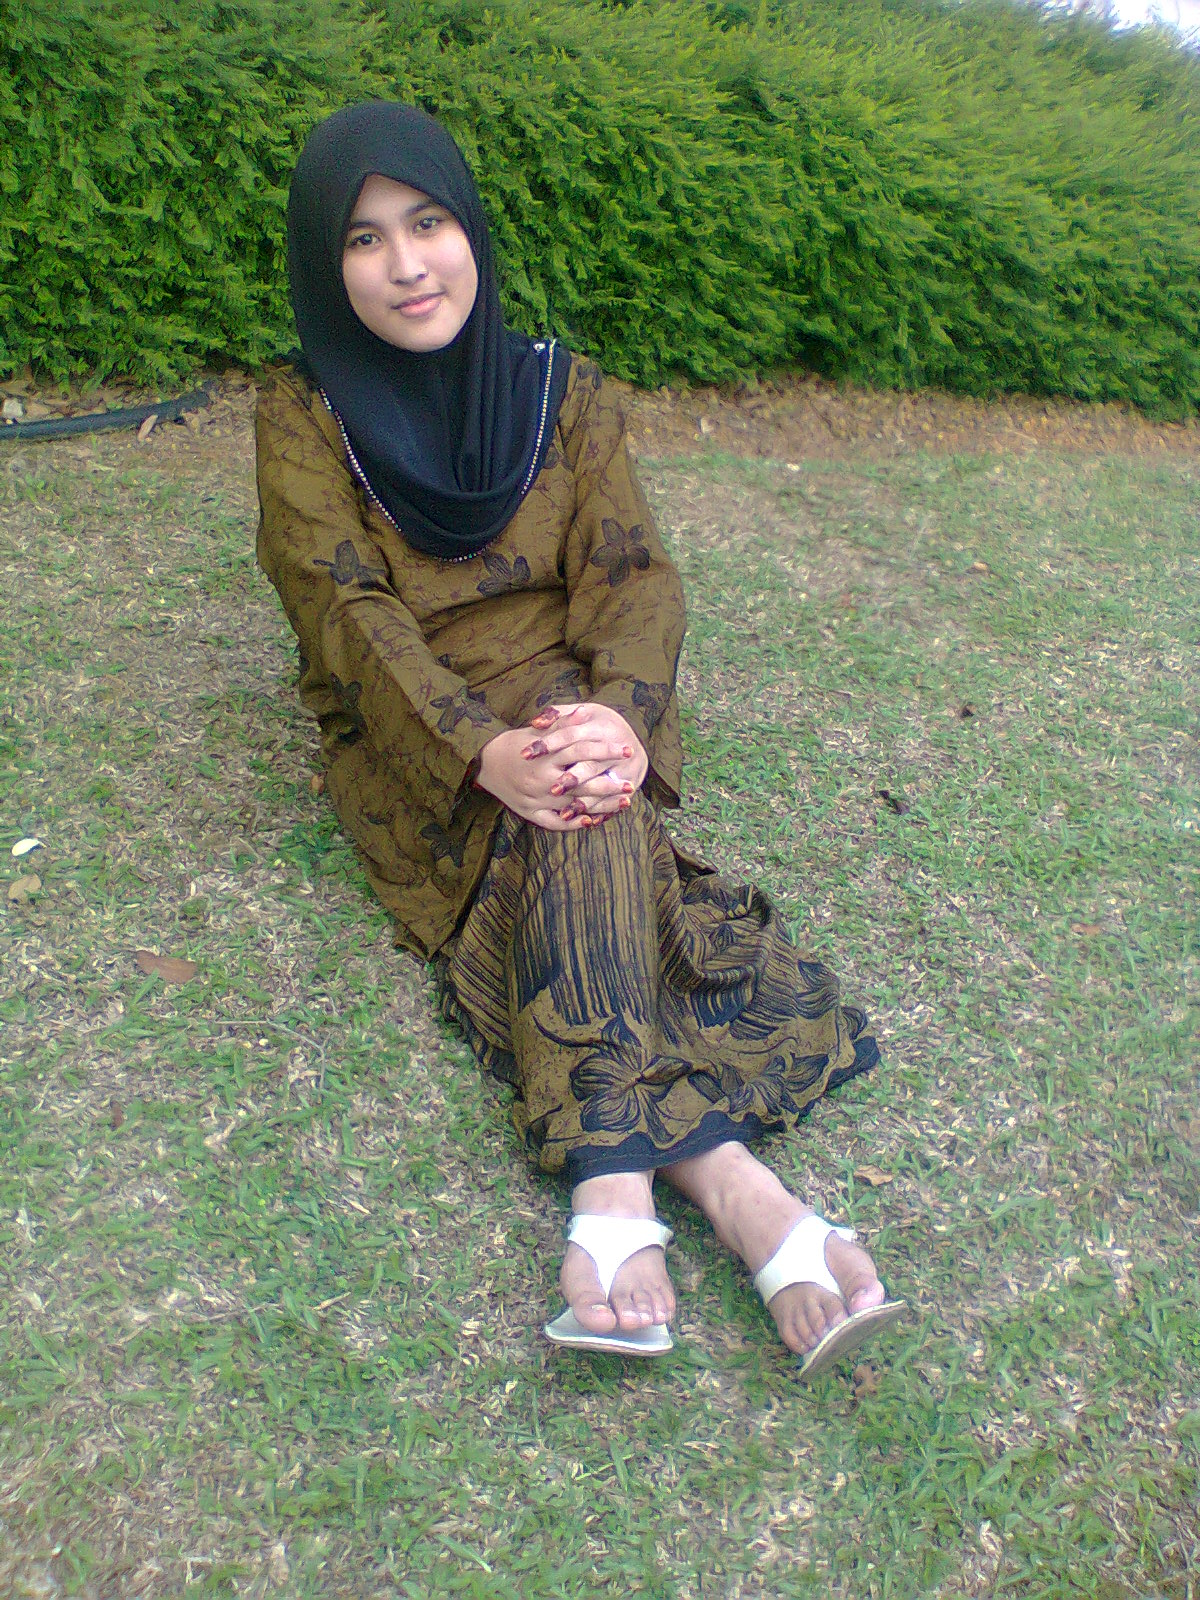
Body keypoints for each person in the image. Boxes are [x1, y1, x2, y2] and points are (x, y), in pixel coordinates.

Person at [255, 100, 905, 1376]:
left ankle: (619, 1193)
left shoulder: (564, 392)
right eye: (364, 239)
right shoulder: (303, 409)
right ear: (327, 267)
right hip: (411, 725)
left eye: (428, 223)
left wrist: (623, 714)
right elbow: (342, 606)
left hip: (566, 695)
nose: (406, 265)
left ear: (470, 229)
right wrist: (476, 748)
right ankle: (732, 1187)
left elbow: (633, 572)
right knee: (567, 809)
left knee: (584, 789)